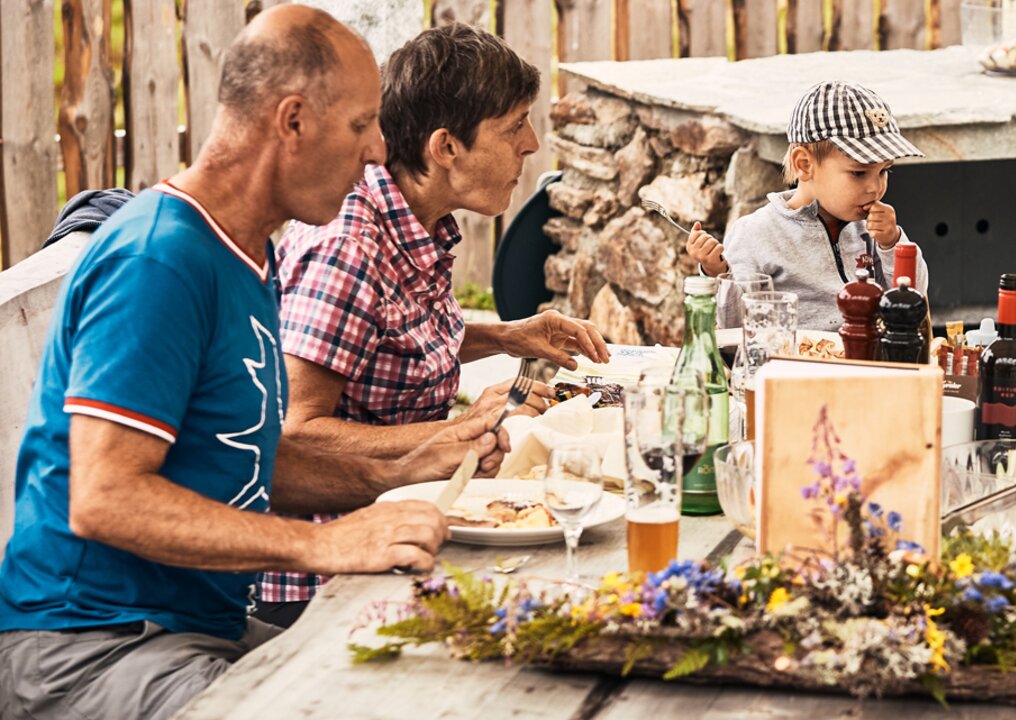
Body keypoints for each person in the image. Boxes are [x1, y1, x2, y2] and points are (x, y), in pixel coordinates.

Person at [0, 7, 492, 719]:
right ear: (292, 122)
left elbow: (237, 457)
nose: (380, 151)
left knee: (433, 675)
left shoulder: (245, 254)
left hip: (196, 631)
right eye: (362, 125)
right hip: (91, 647)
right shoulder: (160, 258)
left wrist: (402, 466)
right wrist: (321, 545)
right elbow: (105, 496)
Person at [259, 23, 609, 626]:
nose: (531, 144)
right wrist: (461, 428)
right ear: (445, 148)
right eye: (513, 126)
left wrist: (507, 335)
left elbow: (383, 338)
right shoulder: (349, 245)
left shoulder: (415, 222)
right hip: (329, 574)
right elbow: (294, 431)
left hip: (405, 519)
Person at [683, 80, 930, 333]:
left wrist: (893, 245)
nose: (875, 188)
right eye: (858, 173)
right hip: (793, 365)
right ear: (804, 165)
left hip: (870, 362)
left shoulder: (871, 230)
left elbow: (914, 300)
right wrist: (718, 273)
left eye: (884, 171)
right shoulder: (756, 234)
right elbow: (734, 326)